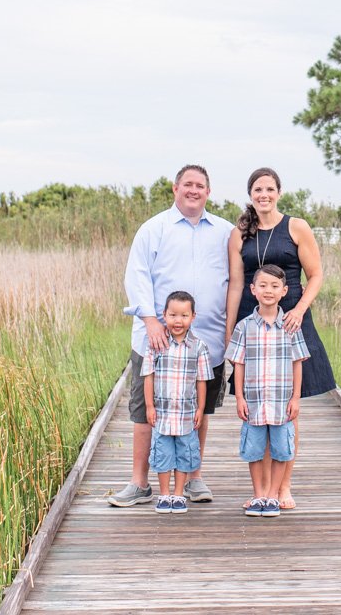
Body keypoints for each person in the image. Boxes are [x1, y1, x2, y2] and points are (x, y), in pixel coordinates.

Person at [110, 164, 233, 507]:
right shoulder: (154, 229)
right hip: (157, 339)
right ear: (175, 188)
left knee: (199, 408)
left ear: (208, 192)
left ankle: (194, 477)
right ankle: (139, 482)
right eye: (187, 185)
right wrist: (150, 321)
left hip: (205, 340)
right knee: (144, 410)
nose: (194, 190)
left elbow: (236, 280)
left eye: (200, 186)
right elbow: (137, 276)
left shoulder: (224, 231)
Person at [224, 166, 336, 510]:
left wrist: (299, 309)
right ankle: (261, 491)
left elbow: (315, 275)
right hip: (252, 320)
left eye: (269, 189)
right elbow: (237, 284)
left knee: (288, 411)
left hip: (291, 319)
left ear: (279, 192)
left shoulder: (296, 227)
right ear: (250, 195)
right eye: (258, 189)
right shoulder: (239, 234)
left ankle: (283, 487)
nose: (264, 195)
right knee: (257, 408)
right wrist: (230, 331)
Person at [225, 265, 309, 518]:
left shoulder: (290, 325)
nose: (268, 291)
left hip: (282, 402)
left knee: (282, 449)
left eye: (274, 286)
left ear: (284, 291)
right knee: (254, 449)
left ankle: (273, 495)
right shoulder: (244, 327)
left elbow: (297, 363)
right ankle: (259, 494)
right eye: (262, 285)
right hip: (254, 402)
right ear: (253, 290)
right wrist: (239, 397)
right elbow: (238, 363)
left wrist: (295, 398)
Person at [141, 291, 213, 514]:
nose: (178, 321)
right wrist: (149, 406)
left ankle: (179, 494)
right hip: (162, 413)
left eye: (184, 315)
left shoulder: (199, 347)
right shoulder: (156, 344)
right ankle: (164, 494)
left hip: (186, 413)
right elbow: (149, 376)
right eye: (172, 315)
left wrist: (201, 408)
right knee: (163, 454)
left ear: (193, 316)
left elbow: (202, 381)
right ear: (164, 315)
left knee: (184, 453)